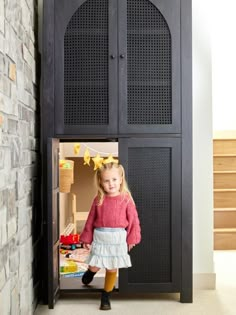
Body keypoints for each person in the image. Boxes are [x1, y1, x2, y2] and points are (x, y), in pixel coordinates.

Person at [79, 162, 141, 310]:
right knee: (96, 263)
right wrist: (86, 238)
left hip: (118, 239)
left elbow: (134, 220)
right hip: (101, 237)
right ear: (100, 182)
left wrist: (132, 238)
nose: (111, 184)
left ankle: (106, 294)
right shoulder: (98, 199)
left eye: (114, 179)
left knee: (112, 268)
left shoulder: (126, 199)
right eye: (106, 181)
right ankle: (91, 271)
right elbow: (90, 220)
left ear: (121, 179)